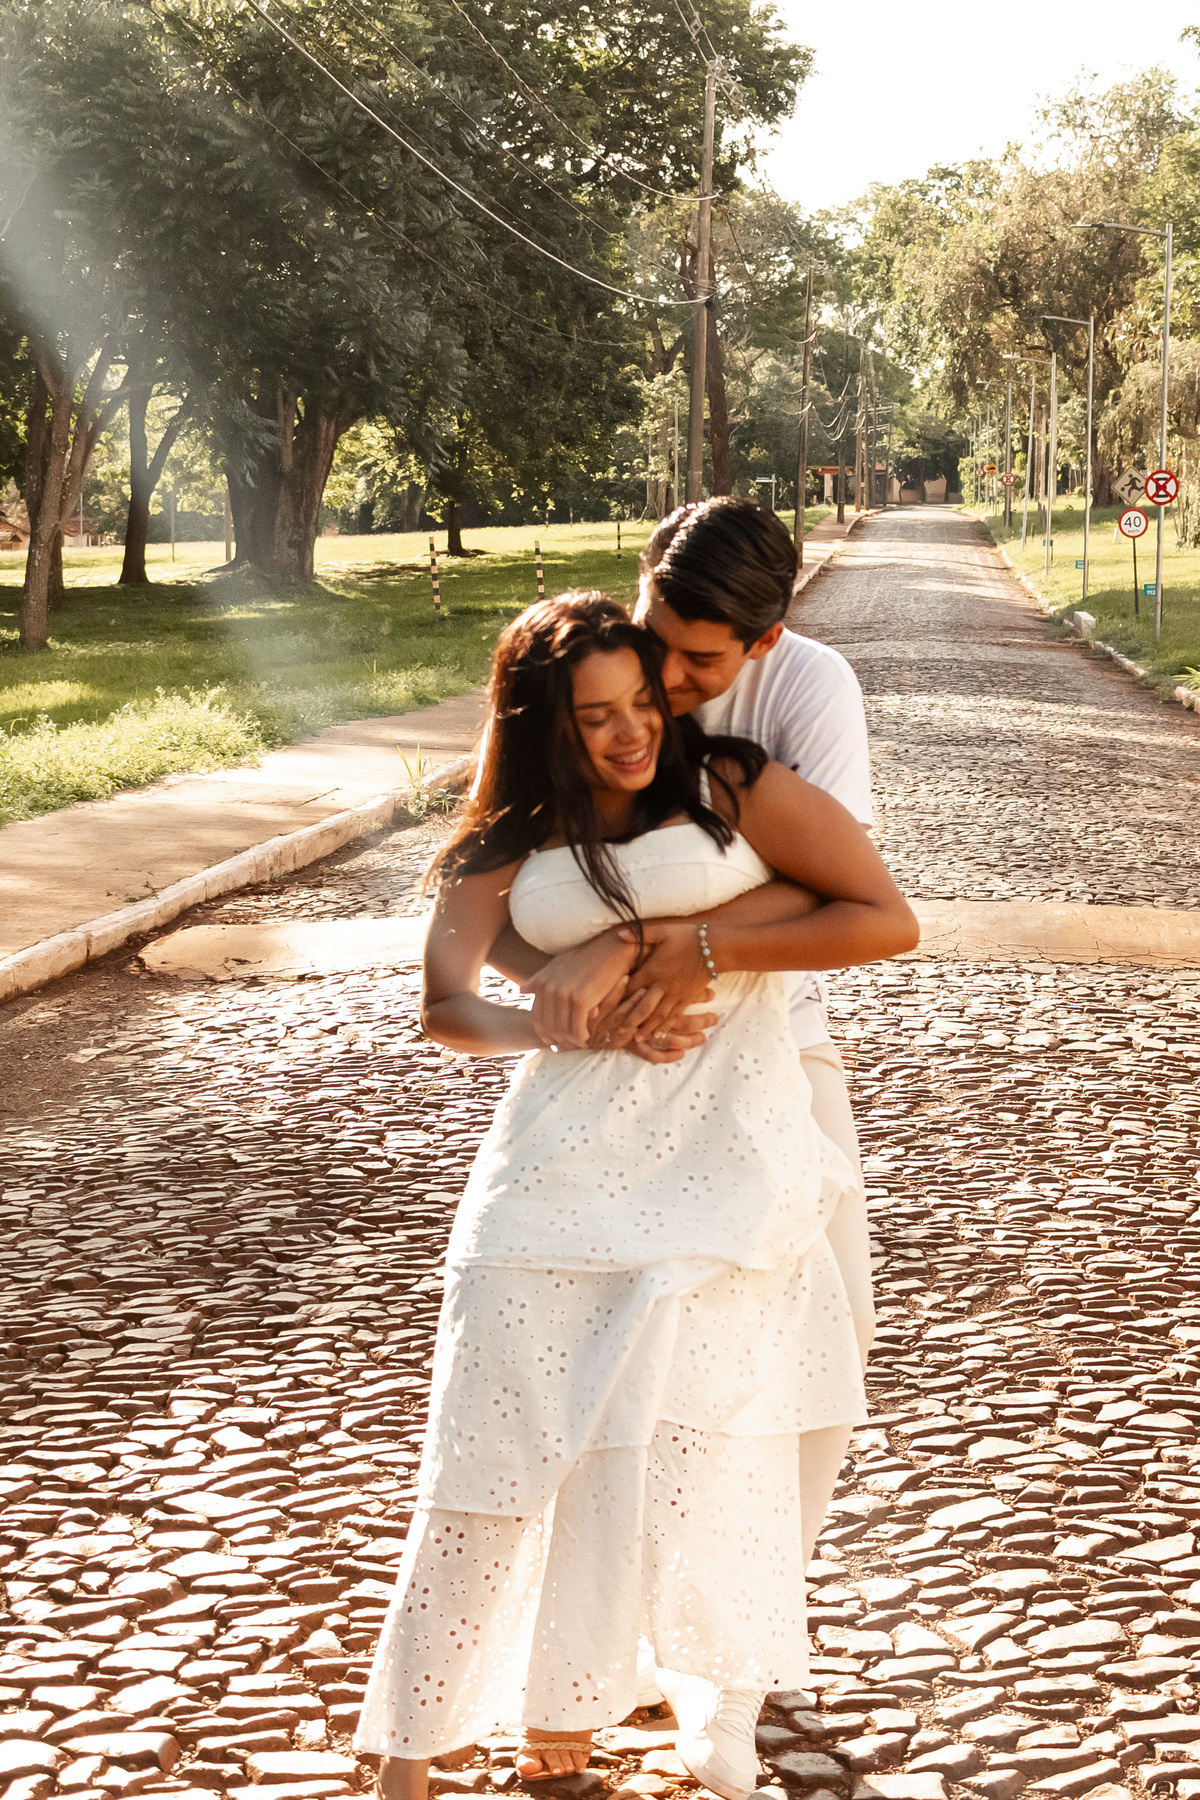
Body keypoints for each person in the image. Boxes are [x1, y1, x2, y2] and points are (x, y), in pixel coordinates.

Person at [354, 592, 918, 1800]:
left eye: (642, 703)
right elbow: (445, 1003)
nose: (627, 735)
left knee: (675, 1445)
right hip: (550, 1168)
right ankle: (404, 1760)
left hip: (718, 1170)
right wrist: (555, 1018)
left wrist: (664, 940)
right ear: (545, 724)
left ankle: (600, 1717)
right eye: (595, 716)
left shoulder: (730, 784)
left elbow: (883, 916)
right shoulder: (506, 830)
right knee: (488, 1447)